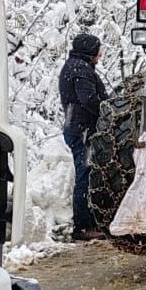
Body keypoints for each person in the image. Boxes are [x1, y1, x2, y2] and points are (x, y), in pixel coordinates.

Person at [58, 33, 109, 241]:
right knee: (85, 175)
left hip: (76, 127)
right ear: (90, 51)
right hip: (82, 129)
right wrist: (106, 111)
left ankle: (88, 222)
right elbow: (88, 99)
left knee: (86, 173)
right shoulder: (80, 69)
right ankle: (83, 226)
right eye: (98, 50)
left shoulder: (74, 66)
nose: (100, 54)